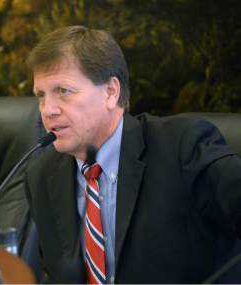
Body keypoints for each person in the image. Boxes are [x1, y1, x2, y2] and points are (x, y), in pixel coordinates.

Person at [24, 25, 241, 283]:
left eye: (64, 92)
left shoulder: (183, 146)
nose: (48, 110)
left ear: (110, 92)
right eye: (41, 96)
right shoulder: (42, 175)